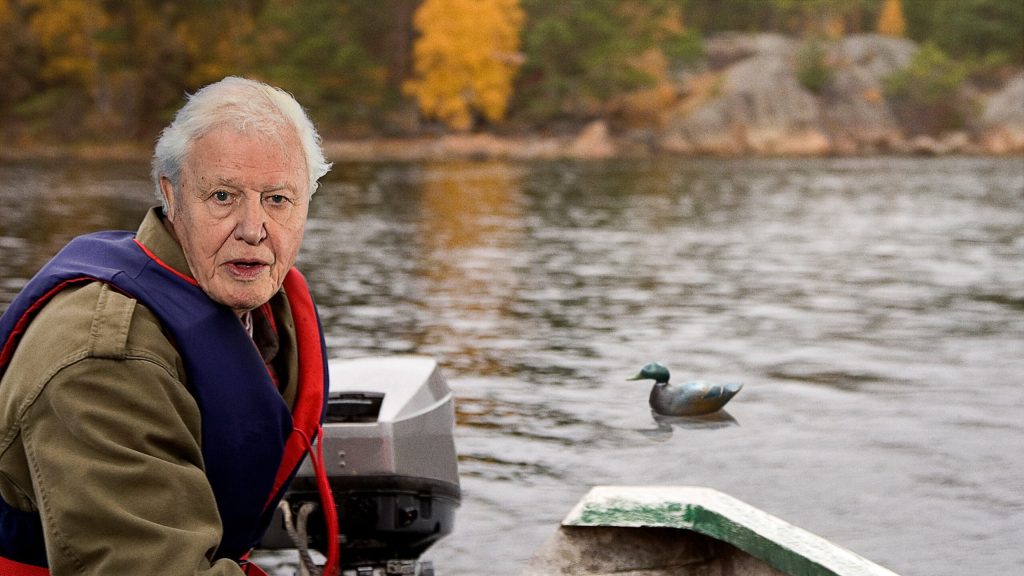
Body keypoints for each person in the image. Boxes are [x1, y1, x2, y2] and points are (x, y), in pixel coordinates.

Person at [0, 77, 336, 575]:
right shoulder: (105, 360)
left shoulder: (259, 306)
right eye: (223, 196)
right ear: (171, 196)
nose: (253, 228)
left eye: (278, 200)